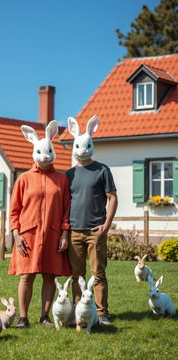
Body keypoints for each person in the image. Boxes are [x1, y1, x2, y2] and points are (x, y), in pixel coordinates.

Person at [8, 120, 71, 328]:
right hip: (28, 235)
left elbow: (65, 210)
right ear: (34, 151)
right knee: (26, 276)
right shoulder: (23, 179)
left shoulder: (62, 180)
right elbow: (14, 210)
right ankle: (23, 317)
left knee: (49, 275)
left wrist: (64, 234)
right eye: (40, 152)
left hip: (53, 234)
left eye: (48, 151)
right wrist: (16, 235)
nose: (45, 156)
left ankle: (44, 316)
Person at [66, 115, 118, 326]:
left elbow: (112, 197)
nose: (83, 149)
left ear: (91, 144)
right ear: (75, 145)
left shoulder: (102, 170)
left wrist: (106, 225)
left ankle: (102, 313)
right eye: (79, 146)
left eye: (87, 145)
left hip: (96, 230)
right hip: (74, 232)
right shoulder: (68, 174)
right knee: (77, 275)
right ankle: (81, 312)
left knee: (98, 274)